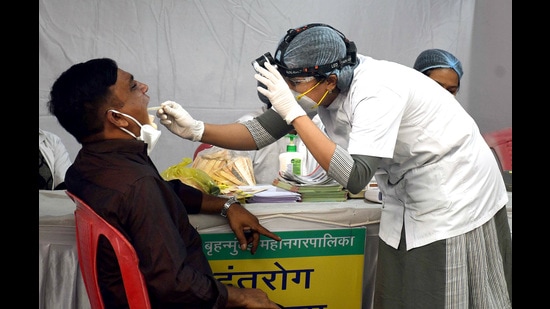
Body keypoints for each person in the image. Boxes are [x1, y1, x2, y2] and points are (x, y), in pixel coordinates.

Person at [157, 23, 512, 308]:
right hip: (409, 189)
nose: (291, 91)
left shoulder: (377, 90)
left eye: (296, 84)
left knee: (436, 287)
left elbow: (355, 177)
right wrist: (198, 130)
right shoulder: (331, 84)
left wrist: (295, 112)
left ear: (329, 81)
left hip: (454, 191)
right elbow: (262, 130)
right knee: (400, 287)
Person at [47, 58, 283, 309]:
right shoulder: (137, 185)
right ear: (117, 118)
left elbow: (165, 192)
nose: (145, 87)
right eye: (134, 86)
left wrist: (226, 206)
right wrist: (242, 297)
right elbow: (174, 284)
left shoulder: (88, 165)